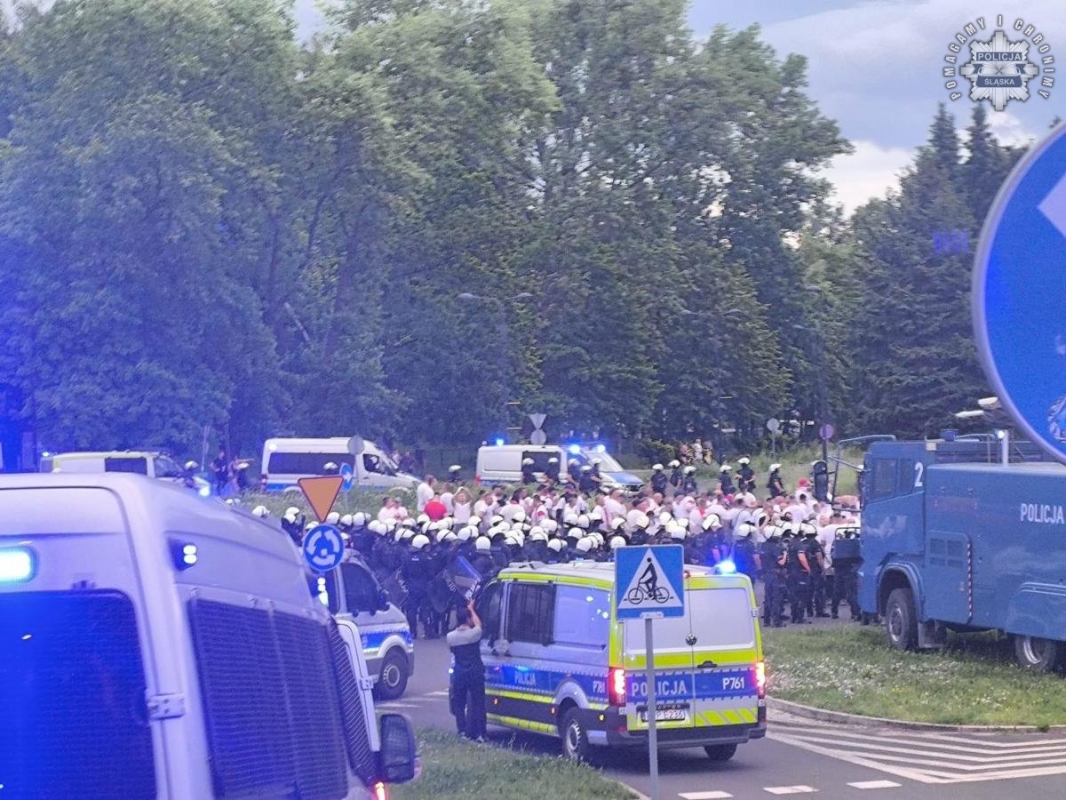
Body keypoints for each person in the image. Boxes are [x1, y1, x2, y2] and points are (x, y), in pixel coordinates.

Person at [448, 600, 487, 742]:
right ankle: (479, 733)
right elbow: (478, 624)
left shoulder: (450, 637)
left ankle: (462, 731)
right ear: (467, 619)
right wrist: (471, 609)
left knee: (459, 704)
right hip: (475, 673)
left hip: (459, 674)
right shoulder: (474, 634)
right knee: (478, 704)